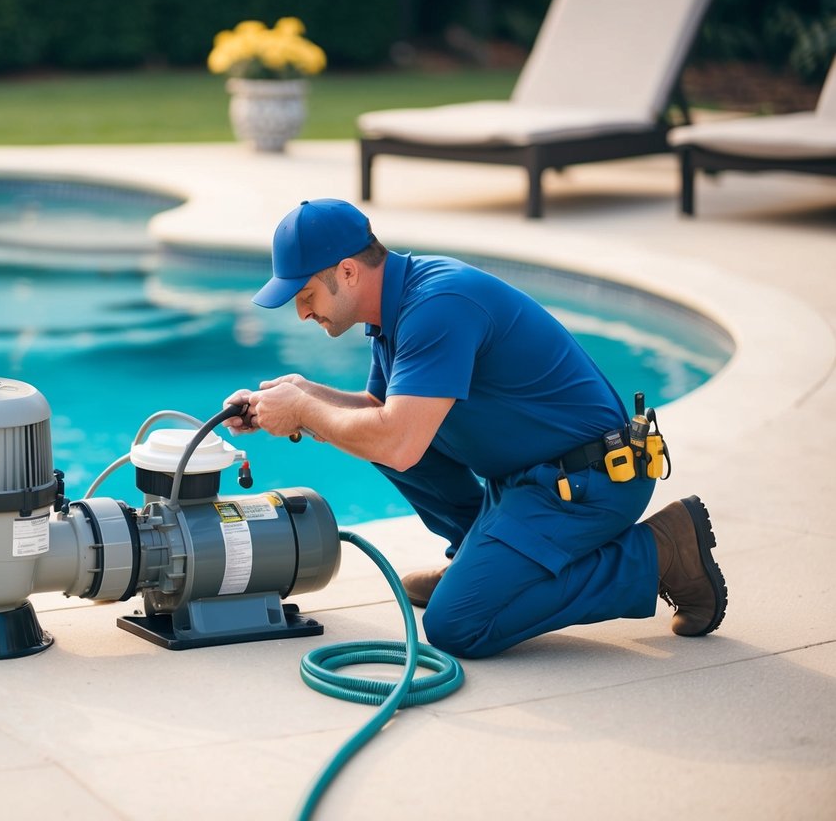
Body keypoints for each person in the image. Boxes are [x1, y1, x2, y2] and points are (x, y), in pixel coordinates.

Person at [224, 198, 728, 659]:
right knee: (381, 434)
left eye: (306, 294)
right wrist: (301, 393)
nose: (302, 311)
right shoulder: (396, 308)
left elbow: (397, 441)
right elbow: (378, 408)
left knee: (459, 624)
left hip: (590, 484)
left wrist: (304, 411)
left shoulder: (438, 306)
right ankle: (478, 554)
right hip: (536, 477)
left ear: (348, 272)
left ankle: (660, 553)